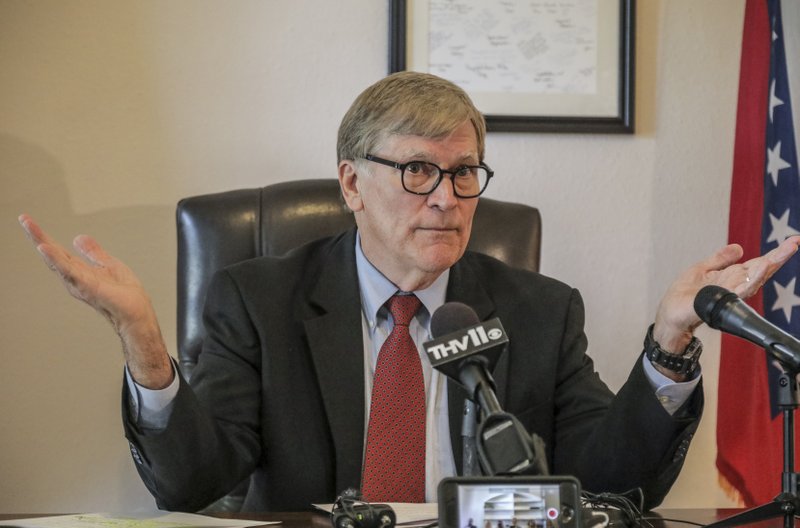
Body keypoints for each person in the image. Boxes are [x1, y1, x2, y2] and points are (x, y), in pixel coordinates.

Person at [19, 72, 800, 513]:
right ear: (353, 184)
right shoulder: (257, 300)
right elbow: (191, 482)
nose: (447, 198)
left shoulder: (538, 308)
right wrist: (146, 350)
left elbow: (611, 478)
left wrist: (668, 344)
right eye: (419, 171)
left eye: (464, 174)